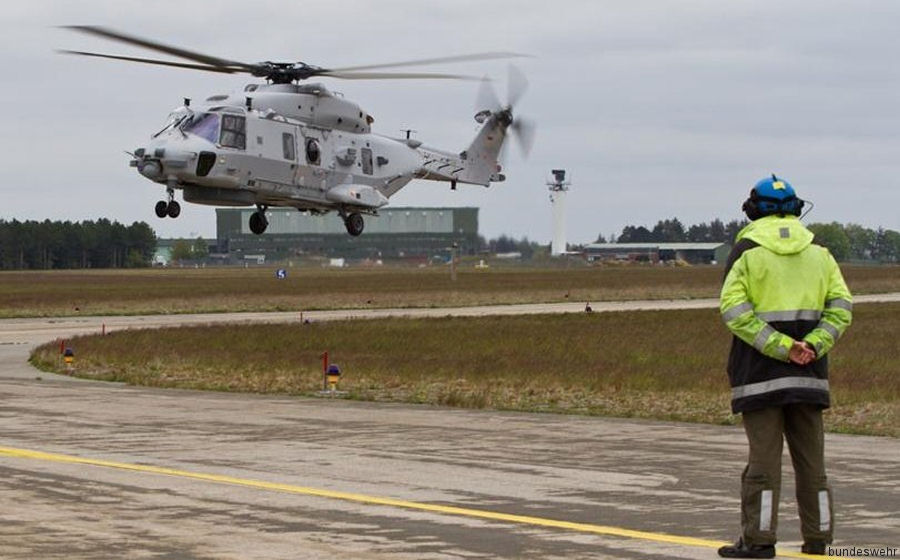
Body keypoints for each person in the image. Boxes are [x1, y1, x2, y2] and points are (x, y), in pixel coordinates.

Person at [718, 175, 852, 559]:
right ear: (796, 208)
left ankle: (759, 542)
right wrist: (812, 344)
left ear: (751, 209)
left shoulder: (745, 250)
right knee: (813, 467)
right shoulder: (820, 252)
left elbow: (733, 310)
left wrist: (781, 347)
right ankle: (820, 542)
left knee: (763, 466)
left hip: (759, 380)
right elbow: (842, 307)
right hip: (810, 377)